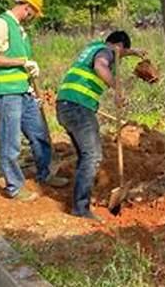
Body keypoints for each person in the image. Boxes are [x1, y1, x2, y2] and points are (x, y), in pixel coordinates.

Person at [0, 0, 68, 202]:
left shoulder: (21, 30)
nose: (32, 18)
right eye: (33, 13)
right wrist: (23, 62)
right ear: (27, 7)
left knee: (39, 134)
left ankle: (45, 174)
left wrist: (30, 81)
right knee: (10, 140)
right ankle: (14, 186)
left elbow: (22, 61)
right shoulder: (1, 24)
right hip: (6, 92)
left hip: (23, 91)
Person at [56, 30, 147, 220]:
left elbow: (116, 52)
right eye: (121, 54)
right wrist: (118, 89)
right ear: (117, 46)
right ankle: (80, 208)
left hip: (65, 106)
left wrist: (134, 52)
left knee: (85, 155)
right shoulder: (105, 52)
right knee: (93, 156)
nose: (119, 59)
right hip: (78, 107)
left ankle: (78, 202)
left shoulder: (93, 48)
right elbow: (100, 66)